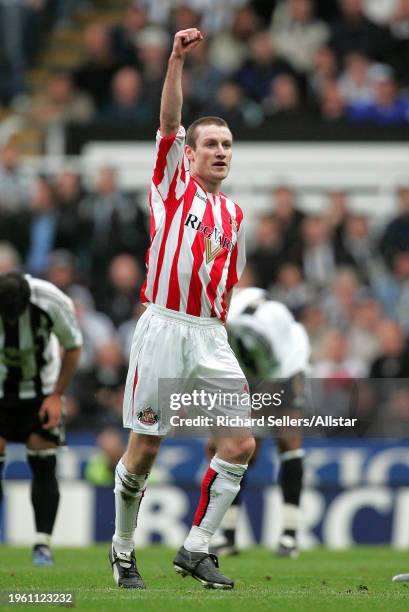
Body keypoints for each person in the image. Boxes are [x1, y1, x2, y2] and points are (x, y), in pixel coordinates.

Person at [109, 28, 254, 591]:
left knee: (241, 440)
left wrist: (218, 328)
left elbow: (227, 280)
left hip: (210, 334)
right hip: (164, 329)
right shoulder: (172, 187)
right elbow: (170, 120)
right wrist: (174, 58)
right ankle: (123, 552)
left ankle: (196, 547)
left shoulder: (234, 215)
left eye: (227, 146)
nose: (220, 153)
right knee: (144, 450)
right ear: (188, 155)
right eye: (211, 145)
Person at [209, 287, 310, 557]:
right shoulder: (209, 331)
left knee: (287, 438)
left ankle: (289, 535)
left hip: (286, 361)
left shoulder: (261, 333)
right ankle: (228, 535)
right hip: (247, 367)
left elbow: (273, 380)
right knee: (228, 446)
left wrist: (251, 420)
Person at [0, 272, 82, 565]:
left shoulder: (51, 301)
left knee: (43, 458)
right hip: (1, 389)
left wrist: (56, 395)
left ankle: (42, 544)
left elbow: (73, 345)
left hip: (42, 388)